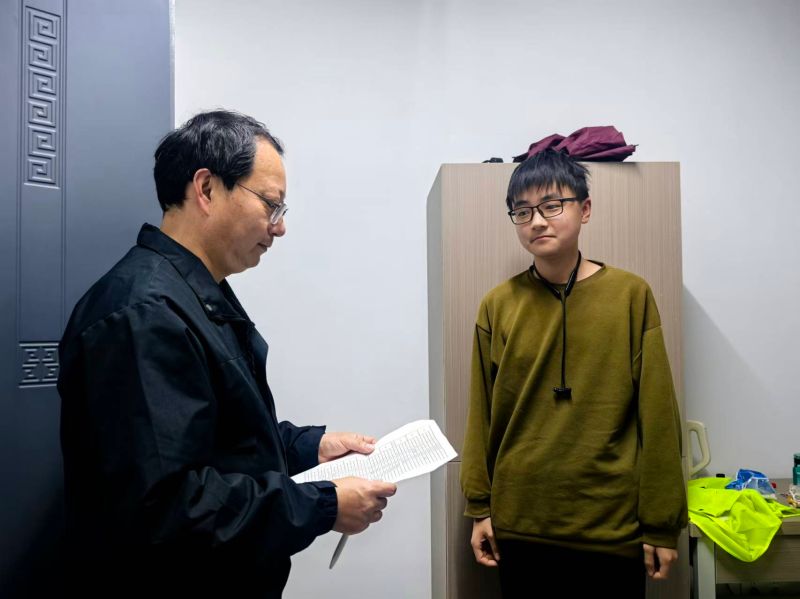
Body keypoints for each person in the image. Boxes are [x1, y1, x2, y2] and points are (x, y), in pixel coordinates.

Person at [57, 110, 396, 598]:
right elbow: (171, 507)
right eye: (271, 206)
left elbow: (220, 440)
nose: (279, 227)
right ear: (207, 188)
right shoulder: (143, 314)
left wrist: (308, 448)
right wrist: (323, 505)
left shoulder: (194, 293)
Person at [459, 149, 687, 597]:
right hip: (519, 526)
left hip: (612, 528)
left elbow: (658, 415)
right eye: (523, 211)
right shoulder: (497, 305)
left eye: (551, 205)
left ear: (584, 209)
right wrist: (479, 507)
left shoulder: (630, 295)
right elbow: (481, 415)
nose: (537, 221)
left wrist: (662, 524)